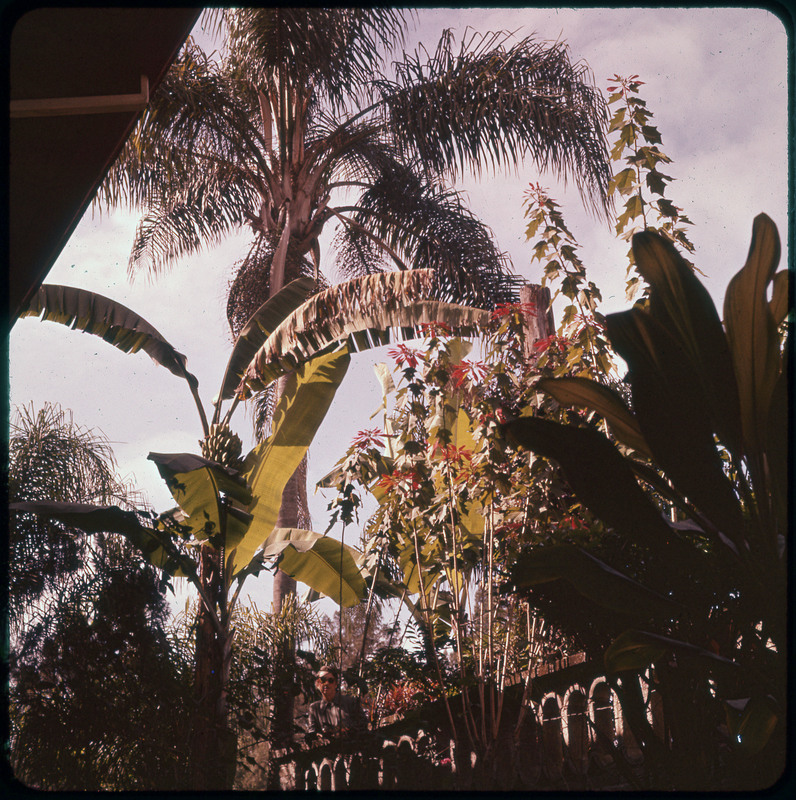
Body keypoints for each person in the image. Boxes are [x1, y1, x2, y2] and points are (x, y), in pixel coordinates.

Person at [306, 665, 367, 741]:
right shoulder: (314, 708)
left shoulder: (351, 702)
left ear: (336, 684)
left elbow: (363, 726)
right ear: (317, 684)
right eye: (323, 680)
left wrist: (347, 730)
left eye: (330, 680)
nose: (326, 683)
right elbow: (312, 732)